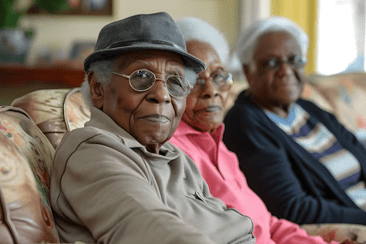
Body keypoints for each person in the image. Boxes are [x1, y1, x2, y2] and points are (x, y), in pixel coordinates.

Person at [50, 12, 256, 244]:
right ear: (98, 88)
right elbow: (152, 230)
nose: (162, 95)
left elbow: (227, 224)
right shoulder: (93, 153)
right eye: (141, 76)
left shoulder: (177, 158)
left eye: (175, 81)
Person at [169, 16, 343, 244]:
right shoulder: (171, 152)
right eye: (194, 79)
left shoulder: (218, 142)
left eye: (218, 76)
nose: (211, 90)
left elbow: (266, 223)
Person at [223, 16, 366, 225]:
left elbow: (359, 152)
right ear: (248, 72)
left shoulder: (308, 109)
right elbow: (292, 207)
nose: (286, 71)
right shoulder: (245, 123)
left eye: (294, 60)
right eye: (272, 63)